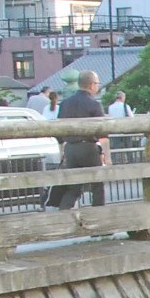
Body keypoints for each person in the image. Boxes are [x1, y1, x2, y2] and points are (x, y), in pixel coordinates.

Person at [45, 71, 109, 209]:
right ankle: (99, 217)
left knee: (73, 186)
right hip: (88, 148)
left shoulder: (65, 103)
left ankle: (64, 215)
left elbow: (59, 130)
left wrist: (62, 150)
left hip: (70, 148)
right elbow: (103, 133)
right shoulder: (94, 104)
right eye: (97, 83)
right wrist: (107, 156)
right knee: (97, 183)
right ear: (92, 85)